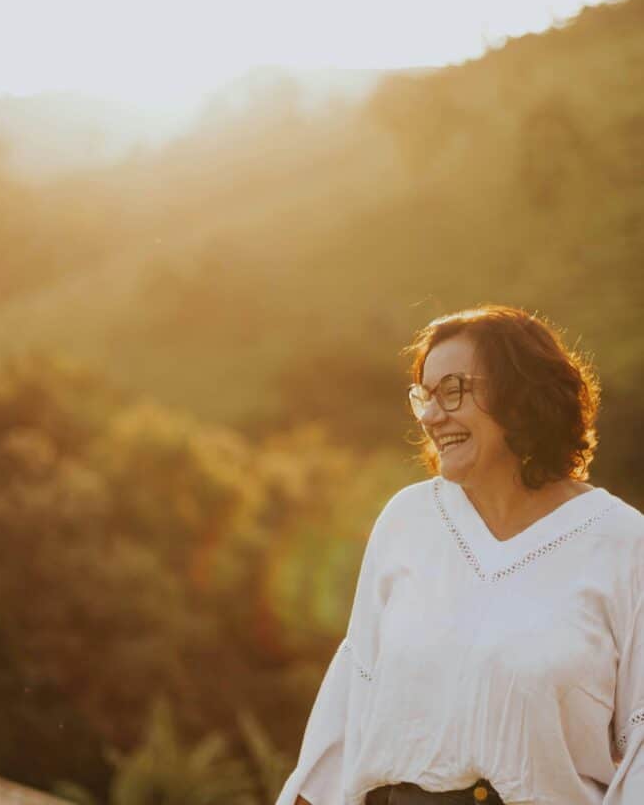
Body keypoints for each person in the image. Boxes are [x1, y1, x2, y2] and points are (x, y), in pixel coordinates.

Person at [275, 305, 643, 805]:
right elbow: (351, 703)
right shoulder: (408, 520)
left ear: (520, 396)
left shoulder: (623, 542)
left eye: (452, 390)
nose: (430, 415)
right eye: (424, 397)